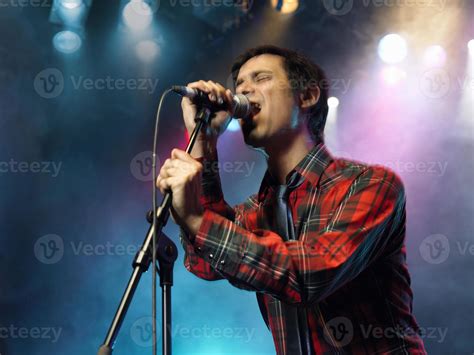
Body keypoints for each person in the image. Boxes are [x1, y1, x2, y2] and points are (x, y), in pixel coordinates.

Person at [156, 45, 426, 354]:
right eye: (239, 84)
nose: (243, 90)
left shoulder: (370, 184)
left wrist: (195, 219)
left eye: (261, 78)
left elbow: (309, 275)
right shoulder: (253, 212)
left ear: (308, 96)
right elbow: (204, 262)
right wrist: (202, 139)